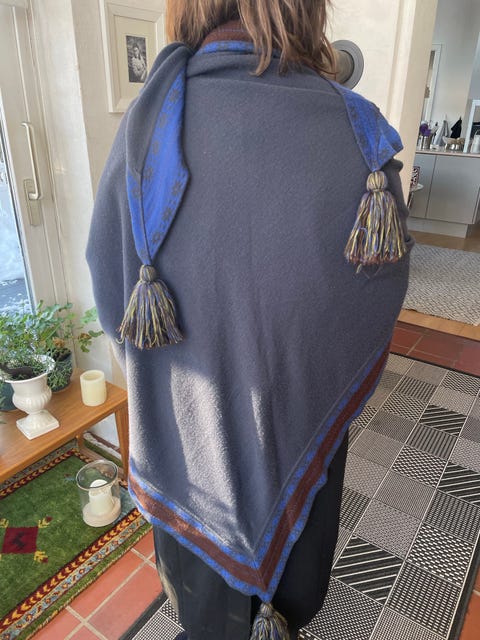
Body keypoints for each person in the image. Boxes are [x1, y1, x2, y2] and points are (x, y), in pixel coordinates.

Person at [87, 1, 412, 638]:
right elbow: (377, 299)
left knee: (200, 614)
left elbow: (110, 290)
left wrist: (172, 389)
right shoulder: (359, 134)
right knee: (297, 597)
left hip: (184, 451)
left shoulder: (145, 132)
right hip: (304, 435)